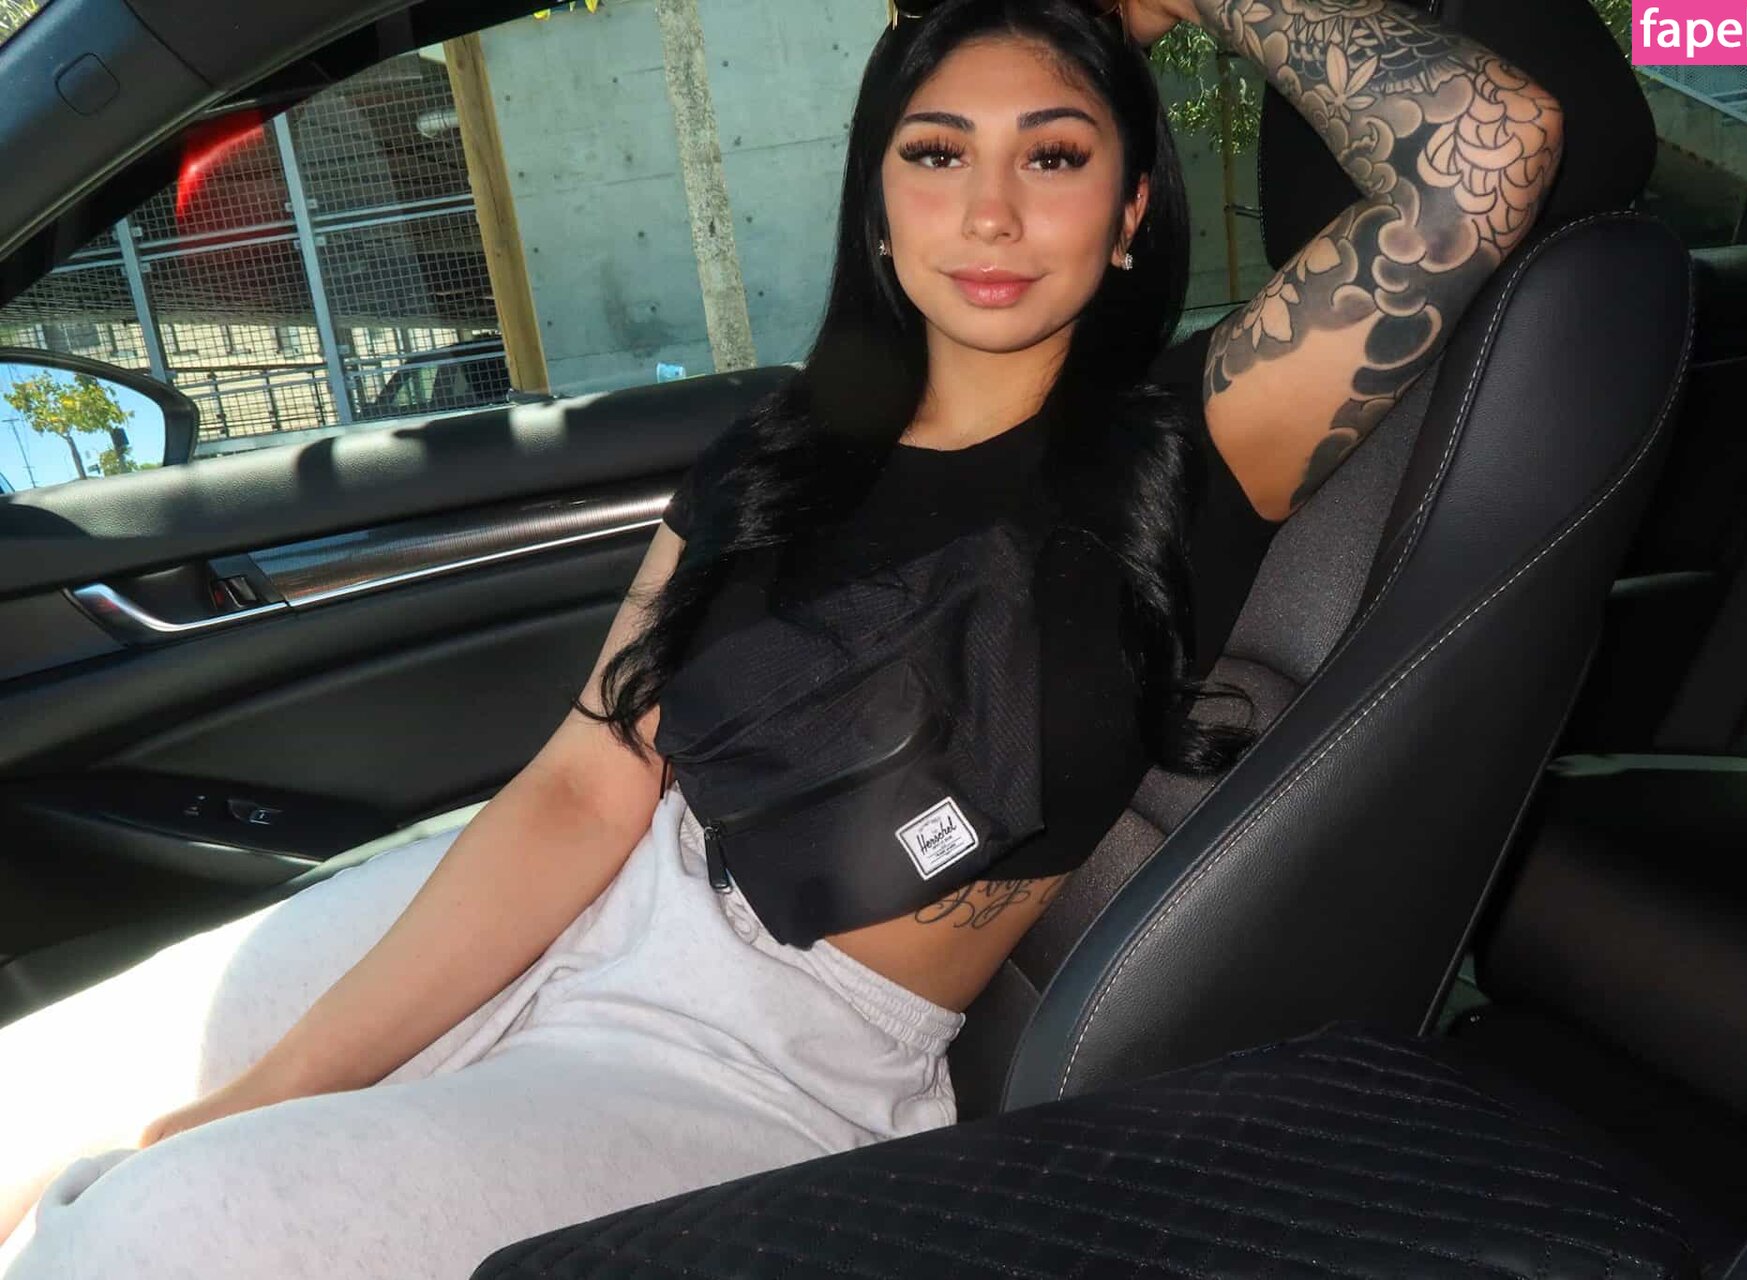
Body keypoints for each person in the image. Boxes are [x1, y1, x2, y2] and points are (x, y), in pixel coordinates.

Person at [0, 0, 1562, 1275]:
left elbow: (1491, 147)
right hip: (602, 890)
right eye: (937, 153)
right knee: (43, 1106)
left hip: (770, 1059)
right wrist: (270, 1088)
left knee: (155, 1227)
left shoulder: (1197, 443)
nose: (992, 211)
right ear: (879, 202)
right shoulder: (779, 448)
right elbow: (584, 786)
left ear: (1133, 203)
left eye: (1056, 153)